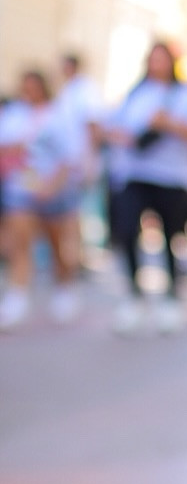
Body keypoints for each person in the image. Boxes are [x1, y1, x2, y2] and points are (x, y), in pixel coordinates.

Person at [99, 41, 187, 334]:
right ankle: (134, 296)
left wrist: (168, 123)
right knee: (126, 229)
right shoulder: (136, 94)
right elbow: (114, 128)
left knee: (172, 236)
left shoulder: (184, 96)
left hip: (171, 178)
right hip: (134, 174)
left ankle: (171, 297)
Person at [0, 68, 88, 327]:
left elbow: (70, 156)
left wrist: (52, 185)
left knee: (58, 245)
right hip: (21, 190)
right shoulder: (14, 114)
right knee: (20, 244)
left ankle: (64, 287)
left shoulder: (59, 115)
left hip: (56, 190)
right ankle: (17, 296)